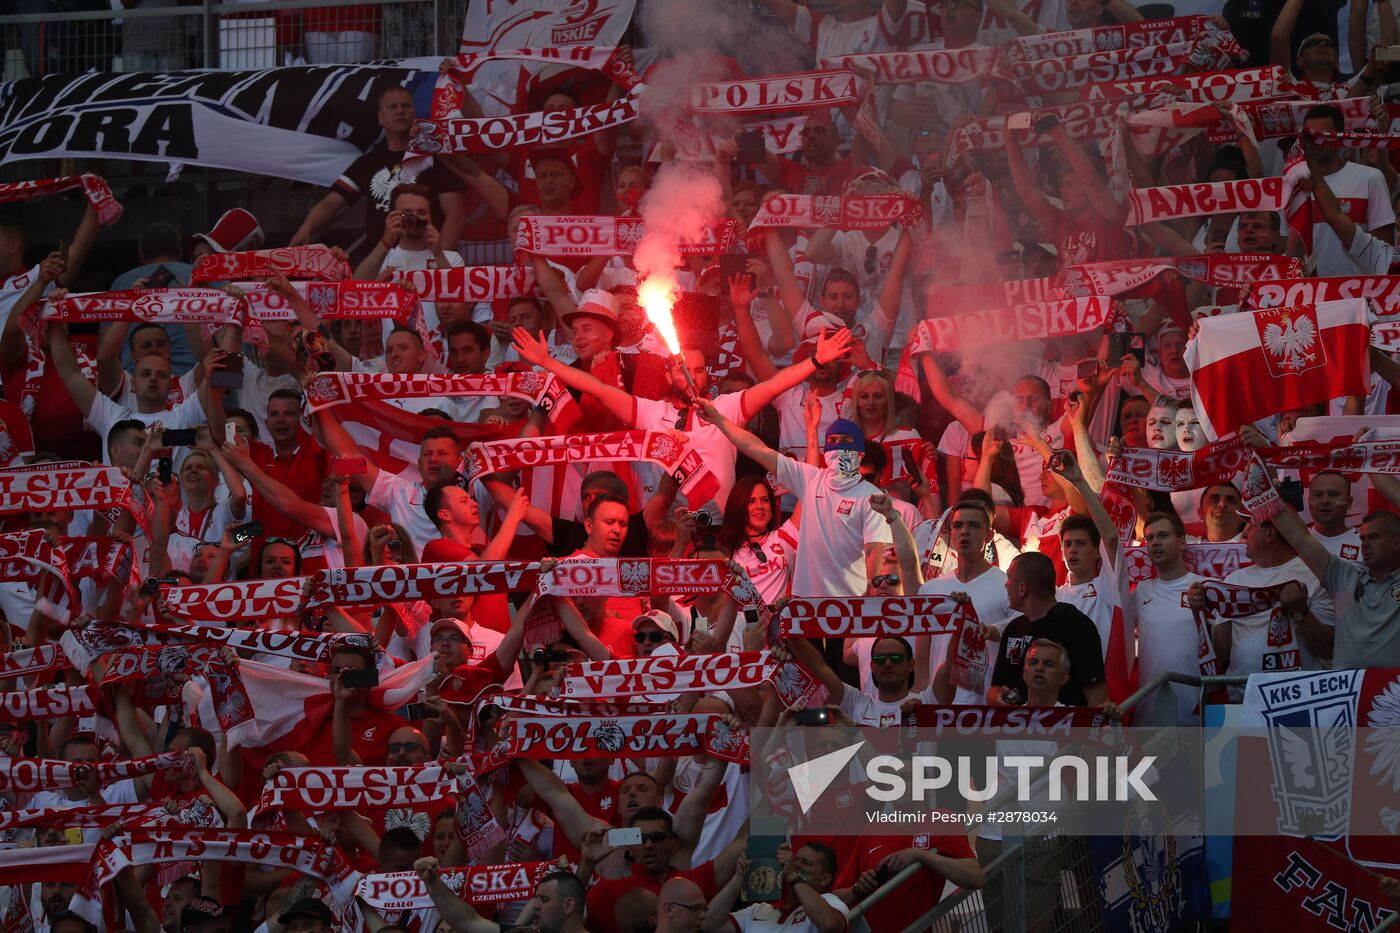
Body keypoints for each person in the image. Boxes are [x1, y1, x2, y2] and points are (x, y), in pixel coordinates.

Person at [291, 84, 462, 254]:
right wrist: (307, 227)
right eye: (392, 107)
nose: (400, 111)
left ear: (414, 113)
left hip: (426, 264)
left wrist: (441, 265)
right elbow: (332, 203)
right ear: (380, 118)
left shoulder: (435, 159)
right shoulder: (367, 164)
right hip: (380, 269)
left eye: (405, 106)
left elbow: (455, 216)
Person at [1285, 104, 1395, 276]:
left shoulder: (1370, 178)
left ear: (1340, 137)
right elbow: (1283, 249)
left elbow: (1383, 251)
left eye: (1322, 136)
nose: (1315, 143)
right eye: (1310, 136)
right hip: (1309, 294)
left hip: (1359, 295)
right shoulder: (1292, 183)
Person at [991, 552, 1107, 706]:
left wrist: (1092, 728)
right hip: (1015, 727)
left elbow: (1096, 694)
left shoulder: (1076, 625)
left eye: (1009, 578)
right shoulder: (1013, 628)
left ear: (1022, 588)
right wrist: (998, 699)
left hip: (1062, 727)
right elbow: (995, 687)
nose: (1006, 585)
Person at [1130, 512, 1212, 725]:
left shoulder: (1206, 587)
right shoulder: (1141, 591)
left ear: (1182, 542)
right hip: (1147, 715)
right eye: (1149, 538)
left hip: (1196, 714)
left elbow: (1222, 648)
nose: (1155, 542)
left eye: (1163, 535)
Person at [705, 843, 861, 933]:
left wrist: (793, 875)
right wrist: (738, 879)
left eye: (806, 862)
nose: (796, 865)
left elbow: (829, 925)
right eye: (795, 860)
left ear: (825, 879)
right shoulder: (759, 910)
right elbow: (708, 925)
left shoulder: (830, 902)